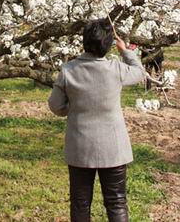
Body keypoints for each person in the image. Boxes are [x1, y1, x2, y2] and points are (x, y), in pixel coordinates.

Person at [48, 19, 147, 222]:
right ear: (108, 44)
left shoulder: (68, 70)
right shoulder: (116, 69)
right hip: (114, 147)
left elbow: (55, 105)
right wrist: (125, 51)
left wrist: (73, 109)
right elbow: (140, 72)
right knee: (116, 201)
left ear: (85, 41)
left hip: (80, 147)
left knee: (80, 203)